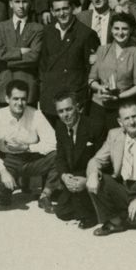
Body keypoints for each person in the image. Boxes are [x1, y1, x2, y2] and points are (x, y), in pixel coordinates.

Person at [86, 99, 136, 236]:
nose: (131, 122)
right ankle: (116, 221)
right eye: (126, 118)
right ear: (120, 122)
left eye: (134, 116)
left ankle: (135, 218)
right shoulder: (114, 135)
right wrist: (93, 174)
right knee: (95, 179)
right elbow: (96, 160)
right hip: (122, 186)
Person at [0, 80, 57, 208]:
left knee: (59, 156)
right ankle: (5, 191)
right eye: (15, 99)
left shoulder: (35, 114)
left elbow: (53, 142)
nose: (20, 103)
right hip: (9, 160)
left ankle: (45, 195)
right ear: (7, 99)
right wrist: (3, 172)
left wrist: (28, 147)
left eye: (23, 99)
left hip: (32, 159)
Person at [38, 0, 99, 122]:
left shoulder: (86, 34)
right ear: (52, 12)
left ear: (73, 9)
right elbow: (43, 65)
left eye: (65, 8)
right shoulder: (47, 32)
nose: (62, 13)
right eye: (57, 10)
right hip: (50, 100)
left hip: (73, 101)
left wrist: (81, 98)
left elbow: (91, 71)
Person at [48, 93, 105, 226]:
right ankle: (83, 206)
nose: (65, 115)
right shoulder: (60, 127)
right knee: (62, 212)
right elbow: (60, 157)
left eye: (69, 109)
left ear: (78, 108)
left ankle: (92, 211)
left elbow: (105, 161)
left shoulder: (95, 126)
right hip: (73, 177)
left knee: (84, 214)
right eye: (61, 111)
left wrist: (87, 180)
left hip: (91, 176)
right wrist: (64, 176)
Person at [87, 11, 136, 131]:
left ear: (131, 30)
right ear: (111, 30)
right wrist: (100, 88)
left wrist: (119, 96)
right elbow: (91, 79)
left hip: (122, 108)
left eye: (124, 29)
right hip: (98, 106)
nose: (120, 32)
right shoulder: (102, 50)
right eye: (116, 28)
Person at [0, 0, 42, 103]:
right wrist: (20, 51)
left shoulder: (37, 28)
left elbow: (33, 57)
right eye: (17, 2)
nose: (21, 6)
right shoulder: (0, 27)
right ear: (10, 4)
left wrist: (4, 61)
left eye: (24, 1)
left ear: (30, 3)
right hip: (2, 87)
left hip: (27, 87)